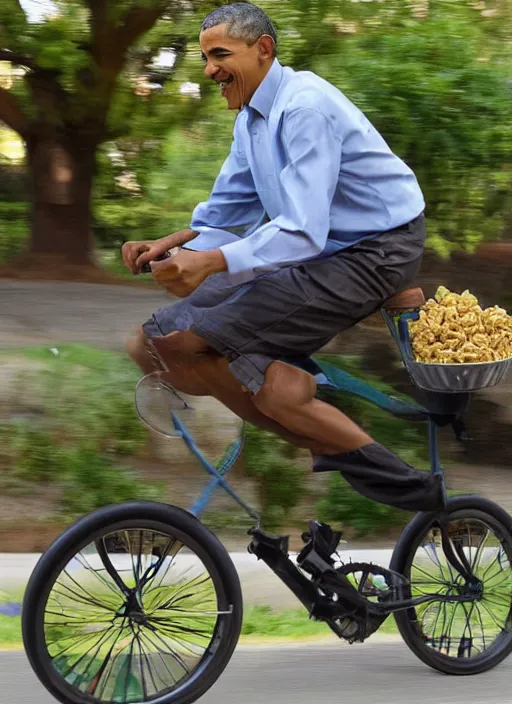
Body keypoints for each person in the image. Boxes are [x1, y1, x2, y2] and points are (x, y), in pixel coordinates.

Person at [123, 2, 444, 512]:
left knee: (196, 346)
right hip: (319, 250)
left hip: (376, 250)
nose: (209, 70)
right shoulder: (252, 118)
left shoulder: (303, 108)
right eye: (205, 58)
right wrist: (175, 246)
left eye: (220, 55)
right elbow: (226, 213)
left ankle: (404, 484)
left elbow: (303, 231)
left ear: (263, 50)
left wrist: (210, 262)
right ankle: (292, 396)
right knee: (151, 344)